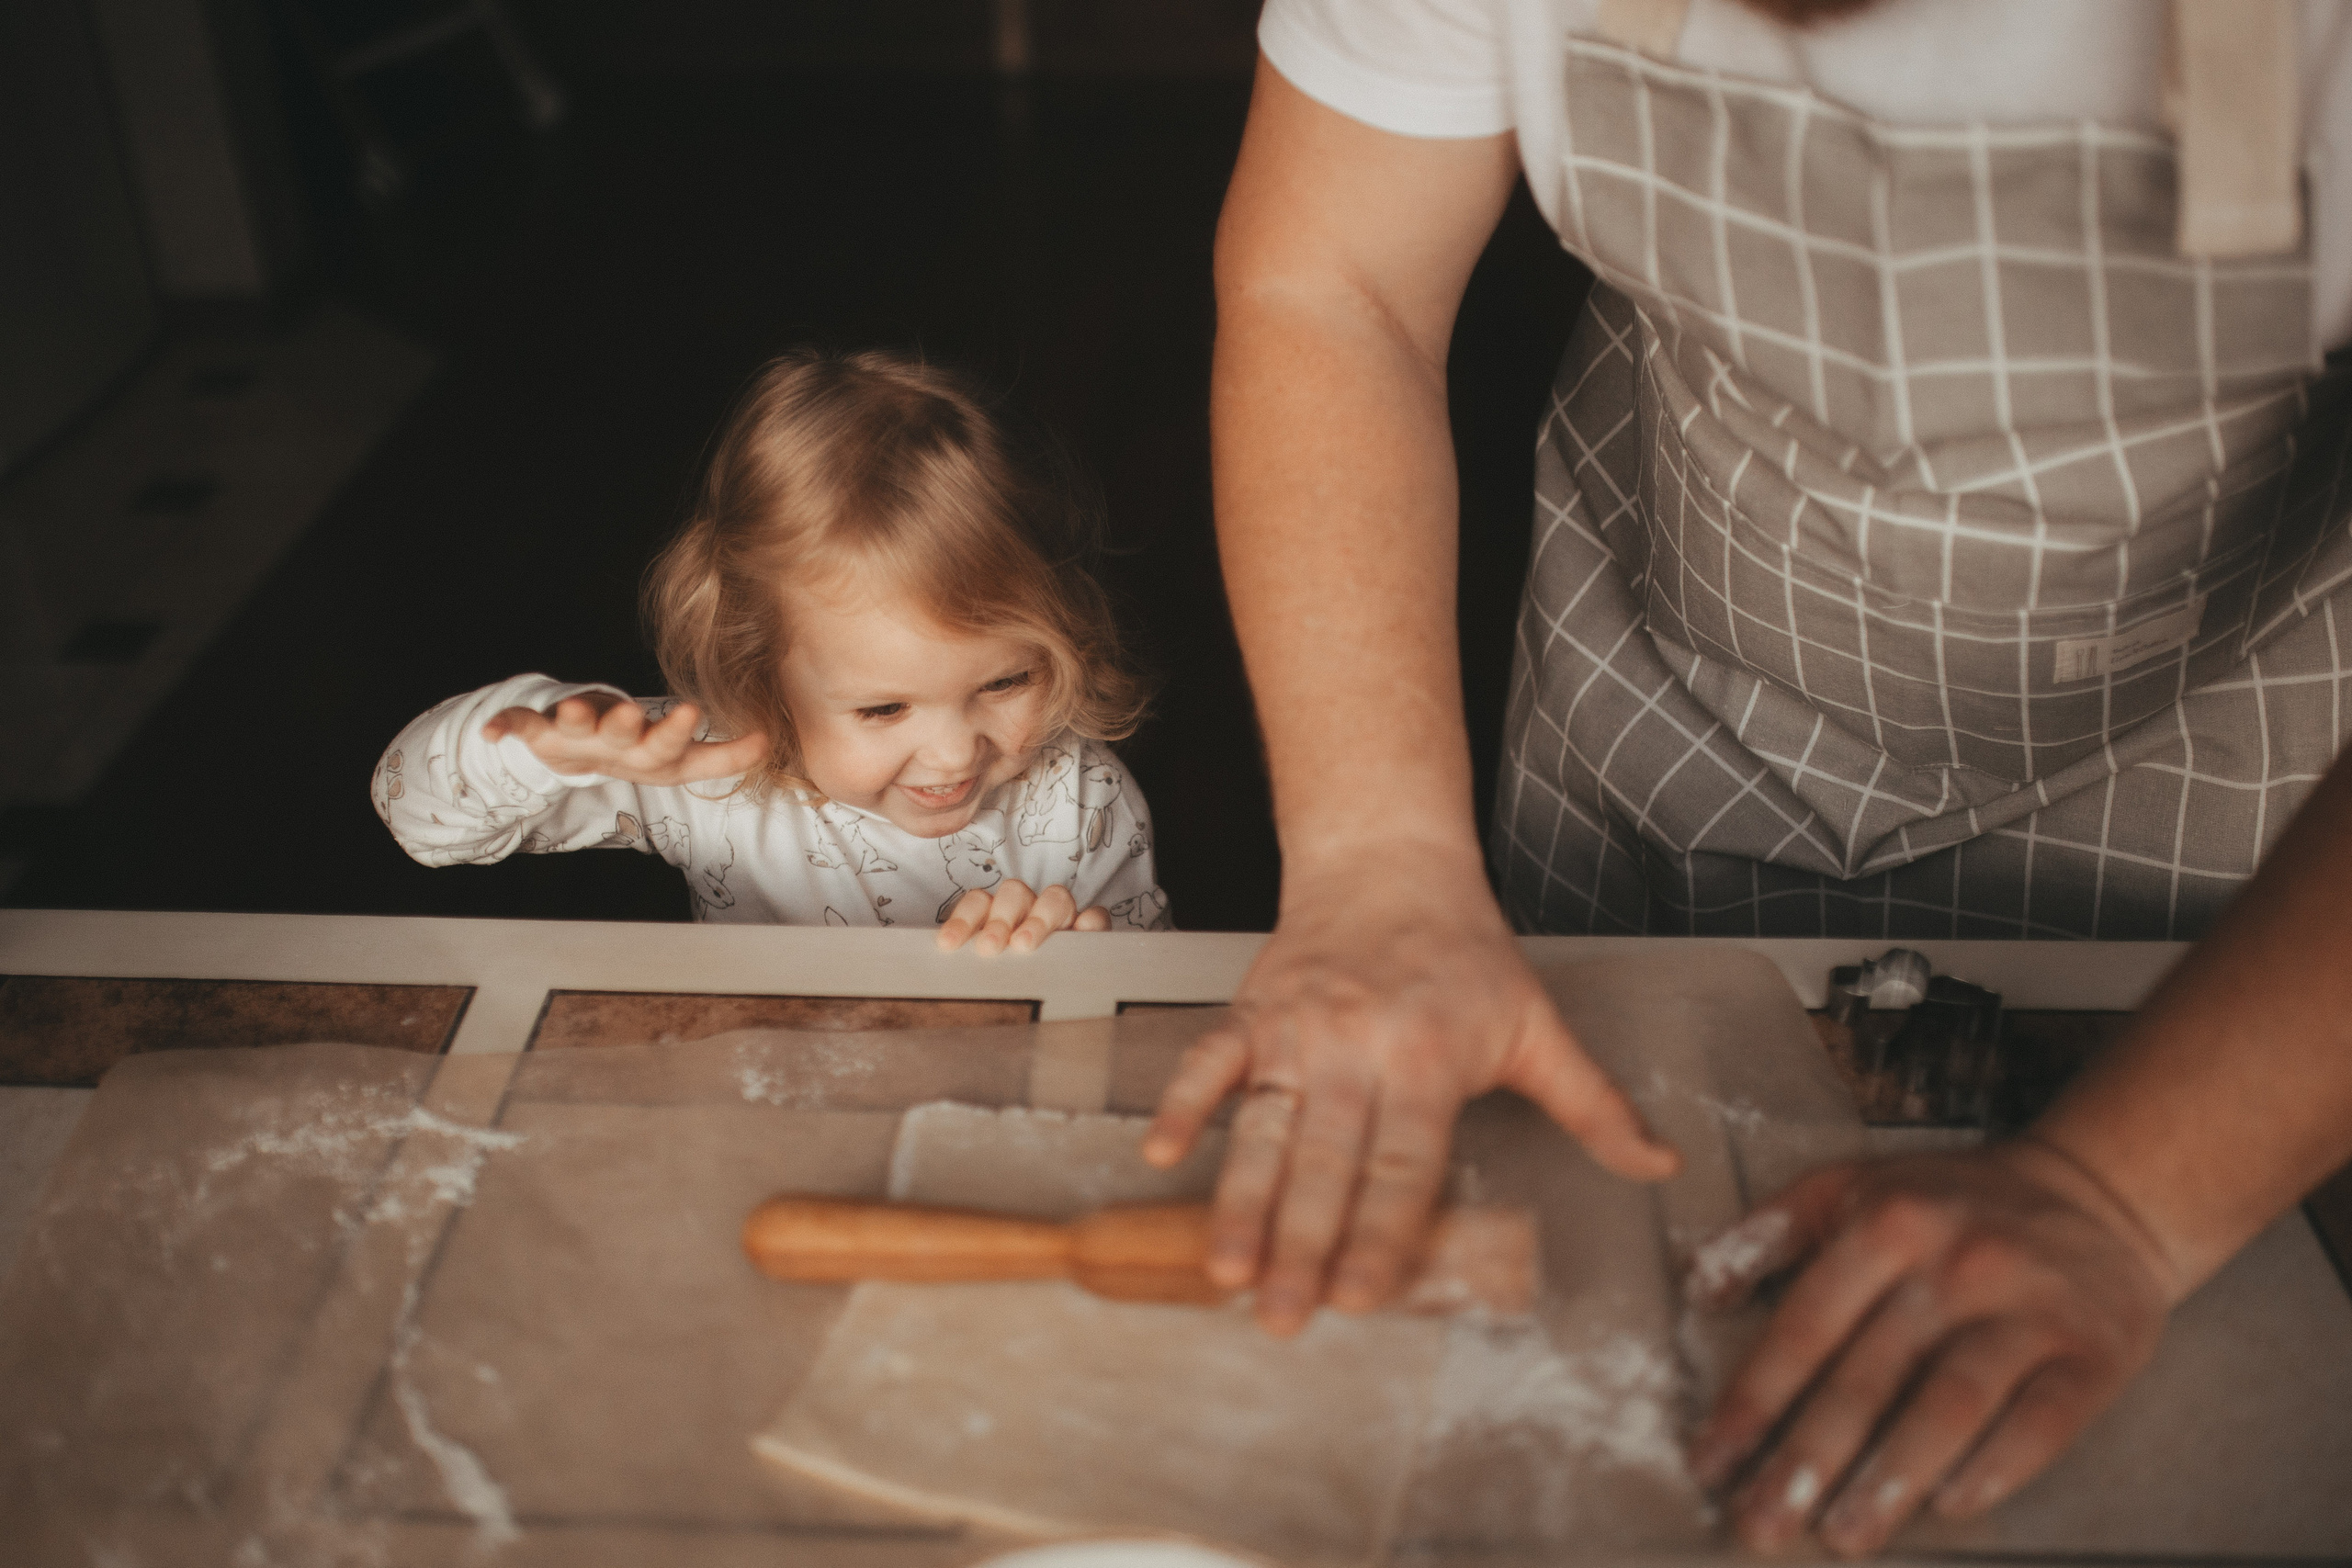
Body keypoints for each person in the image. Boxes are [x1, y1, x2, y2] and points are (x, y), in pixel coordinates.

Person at [1140, 0, 2352, 1554]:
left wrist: (2126, 1204)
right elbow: (1334, 282)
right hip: (1672, 704)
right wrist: (1378, 855)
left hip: (2236, 773)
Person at [376, 349, 1171, 952]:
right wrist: (544, 747)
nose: (955, 750)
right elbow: (422, 823)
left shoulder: (1076, 794)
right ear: (760, 669)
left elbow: (1153, 1010)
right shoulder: (707, 774)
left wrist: (1077, 959)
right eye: (883, 706)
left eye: (1004, 681)